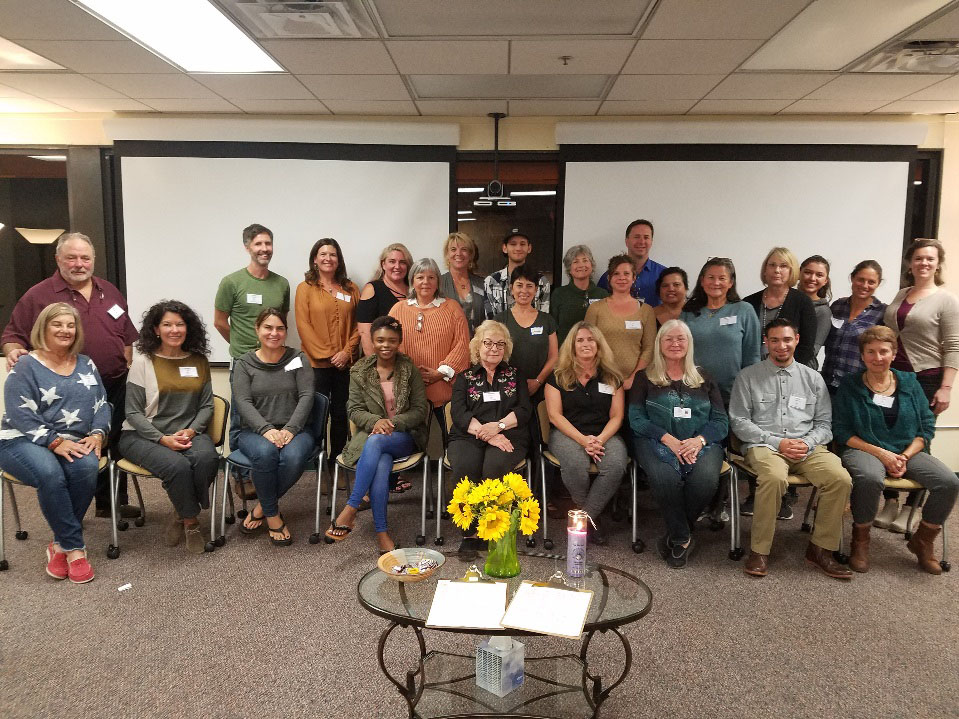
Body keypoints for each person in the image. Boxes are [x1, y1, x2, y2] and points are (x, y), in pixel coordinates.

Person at [2, 232, 138, 519]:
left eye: (85, 257)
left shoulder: (108, 290)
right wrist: (14, 351)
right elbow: (13, 335)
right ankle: (69, 512)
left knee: (110, 440)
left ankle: (110, 502)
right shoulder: (39, 295)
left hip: (112, 382)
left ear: (93, 260)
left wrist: (125, 362)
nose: (79, 264)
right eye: (71, 257)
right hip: (66, 389)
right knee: (72, 451)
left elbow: (126, 335)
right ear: (58, 260)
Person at [728, 318, 853, 580]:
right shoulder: (748, 376)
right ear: (766, 342)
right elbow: (739, 422)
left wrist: (806, 443)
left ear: (796, 340)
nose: (781, 346)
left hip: (806, 446)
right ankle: (760, 551)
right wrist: (778, 443)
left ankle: (820, 549)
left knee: (840, 479)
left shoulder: (813, 379)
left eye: (787, 339)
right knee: (773, 478)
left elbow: (824, 424)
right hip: (765, 445)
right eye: (774, 340)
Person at [833, 326, 958, 575]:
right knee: (869, 477)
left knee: (949, 481)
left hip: (906, 450)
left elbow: (925, 427)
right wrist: (883, 454)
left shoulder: (910, 383)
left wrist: (904, 456)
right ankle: (860, 541)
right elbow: (842, 431)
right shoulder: (850, 385)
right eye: (871, 352)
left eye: (883, 351)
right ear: (862, 355)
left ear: (894, 353)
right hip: (864, 448)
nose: (877, 358)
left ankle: (922, 541)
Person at [0, 303, 110, 584]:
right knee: (50, 473)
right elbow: (18, 412)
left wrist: (98, 433)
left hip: (70, 441)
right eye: (57, 324)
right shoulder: (25, 364)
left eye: (70, 325)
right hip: (19, 439)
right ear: (43, 328)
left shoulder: (86, 363)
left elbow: (102, 404)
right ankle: (75, 549)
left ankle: (59, 544)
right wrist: (53, 440)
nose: (65, 330)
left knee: (86, 468)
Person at [118, 300, 219, 554]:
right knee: (178, 466)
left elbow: (207, 406)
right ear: (155, 329)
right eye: (167, 324)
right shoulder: (143, 362)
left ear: (189, 328)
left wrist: (192, 430)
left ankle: (179, 512)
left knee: (207, 458)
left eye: (180, 324)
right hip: (141, 434)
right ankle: (191, 521)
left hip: (188, 432)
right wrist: (163, 439)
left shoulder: (198, 360)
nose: (174, 330)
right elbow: (132, 412)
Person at [326, 316, 429, 552]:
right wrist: (376, 421)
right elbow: (353, 409)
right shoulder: (360, 371)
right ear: (371, 341)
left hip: (406, 436)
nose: (385, 345)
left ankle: (351, 509)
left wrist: (393, 423)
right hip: (374, 438)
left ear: (399, 342)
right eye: (380, 340)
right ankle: (383, 535)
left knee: (377, 440)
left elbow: (420, 410)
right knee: (381, 461)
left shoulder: (409, 370)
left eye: (392, 340)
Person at [630, 320, 727, 568]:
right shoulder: (645, 378)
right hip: (655, 440)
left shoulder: (705, 377)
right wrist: (668, 439)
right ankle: (683, 538)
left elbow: (720, 421)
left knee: (705, 480)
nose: (675, 344)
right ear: (659, 344)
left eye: (680, 339)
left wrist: (699, 440)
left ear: (689, 343)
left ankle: (675, 533)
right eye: (669, 339)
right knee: (665, 478)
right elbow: (636, 419)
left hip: (701, 442)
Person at [882, 238, 959, 534]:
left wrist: (946, 387)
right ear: (910, 262)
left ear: (938, 264)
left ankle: (910, 508)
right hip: (893, 377)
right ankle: (889, 501)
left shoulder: (946, 299)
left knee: (920, 439)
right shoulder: (902, 293)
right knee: (888, 435)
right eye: (918, 258)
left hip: (927, 378)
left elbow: (953, 345)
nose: (923, 263)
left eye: (929, 259)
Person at [213, 223, 291, 501]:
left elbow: (278, 322)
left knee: (272, 411)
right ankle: (241, 477)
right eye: (258, 244)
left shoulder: (281, 283)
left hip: (275, 362)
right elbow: (220, 322)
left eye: (268, 244)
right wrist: (241, 347)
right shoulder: (232, 282)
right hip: (244, 362)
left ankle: (268, 466)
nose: (264, 249)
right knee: (240, 417)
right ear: (247, 247)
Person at [232, 308, 315, 546]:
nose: (274, 333)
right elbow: (243, 402)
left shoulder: (297, 359)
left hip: (296, 430)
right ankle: (273, 516)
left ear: (286, 332)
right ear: (257, 330)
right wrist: (266, 429)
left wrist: (290, 429)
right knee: (265, 454)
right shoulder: (244, 363)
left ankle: (261, 509)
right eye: (268, 327)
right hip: (254, 432)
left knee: (294, 457)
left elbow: (307, 395)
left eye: (280, 328)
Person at [545, 321, 627, 545]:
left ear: (599, 344)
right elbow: (554, 416)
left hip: (604, 434)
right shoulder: (558, 375)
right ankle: (591, 519)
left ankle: (584, 518)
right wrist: (583, 440)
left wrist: (599, 439)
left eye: (591, 339)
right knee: (575, 464)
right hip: (566, 434)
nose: (585, 344)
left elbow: (617, 416)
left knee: (616, 465)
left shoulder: (612, 376)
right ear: (571, 346)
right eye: (579, 340)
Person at [295, 238, 359, 467]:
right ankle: (319, 466)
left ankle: (338, 464)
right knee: (318, 417)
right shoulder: (305, 289)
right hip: (316, 365)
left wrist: (345, 353)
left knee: (341, 416)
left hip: (345, 365)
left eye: (332, 255)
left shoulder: (351, 289)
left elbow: (357, 327)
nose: (328, 258)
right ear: (314, 259)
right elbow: (304, 326)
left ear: (339, 260)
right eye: (323, 254)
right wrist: (330, 355)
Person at [449, 320, 532, 489]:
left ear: (506, 348)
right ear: (478, 346)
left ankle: (495, 515)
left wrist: (499, 426)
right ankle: (467, 515)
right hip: (468, 436)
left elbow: (524, 410)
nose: (494, 348)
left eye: (500, 344)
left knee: (494, 468)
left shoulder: (516, 375)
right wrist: (489, 434)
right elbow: (458, 413)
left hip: (509, 435)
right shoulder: (464, 378)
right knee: (466, 468)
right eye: (488, 343)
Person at [388, 258, 470, 426]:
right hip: (409, 390)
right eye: (420, 277)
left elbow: (462, 344)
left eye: (431, 277)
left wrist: (440, 373)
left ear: (438, 281)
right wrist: (412, 374)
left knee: (452, 438)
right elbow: (389, 346)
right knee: (410, 442)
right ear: (412, 281)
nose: (426, 282)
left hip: (445, 390)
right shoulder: (398, 310)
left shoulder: (452, 308)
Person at [681, 258, 761, 406]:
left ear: (731, 283)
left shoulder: (744, 310)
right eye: (711, 277)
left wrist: (749, 390)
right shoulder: (688, 312)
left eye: (722, 278)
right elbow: (679, 352)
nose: (716, 282)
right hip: (694, 392)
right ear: (702, 281)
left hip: (733, 395)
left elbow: (753, 356)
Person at [585, 255, 655, 391]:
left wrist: (633, 378)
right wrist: (600, 376)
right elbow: (587, 344)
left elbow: (649, 348)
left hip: (635, 383)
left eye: (626, 273)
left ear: (634, 277)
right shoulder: (595, 309)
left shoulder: (647, 311)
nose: (621, 278)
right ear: (609, 278)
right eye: (616, 273)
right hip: (601, 380)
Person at [743, 247, 818, 366]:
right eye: (772, 265)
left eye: (783, 266)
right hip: (752, 371)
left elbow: (806, 347)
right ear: (765, 270)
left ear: (791, 271)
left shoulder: (803, 302)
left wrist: (783, 368)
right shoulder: (748, 302)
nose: (777, 270)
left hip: (789, 371)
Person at [822, 260, 887, 394]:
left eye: (871, 282)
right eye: (860, 280)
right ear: (852, 278)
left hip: (858, 387)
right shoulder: (838, 306)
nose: (865, 285)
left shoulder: (882, 313)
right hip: (827, 383)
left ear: (878, 284)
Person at [496, 265, 558, 404]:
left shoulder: (547, 320)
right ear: (511, 288)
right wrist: (511, 384)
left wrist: (538, 381)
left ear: (536, 290)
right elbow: (492, 357)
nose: (524, 290)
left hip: (541, 390)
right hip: (507, 390)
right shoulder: (500, 320)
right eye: (519, 285)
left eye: (529, 286)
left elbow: (554, 357)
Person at [356, 243, 412, 356]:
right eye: (392, 261)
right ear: (383, 264)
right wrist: (376, 366)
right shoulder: (372, 289)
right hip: (381, 362)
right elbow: (364, 332)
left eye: (402, 262)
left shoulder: (414, 289)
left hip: (408, 360)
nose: (397, 266)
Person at [597, 219, 666, 306]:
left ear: (651, 242)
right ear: (627, 241)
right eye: (637, 237)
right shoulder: (609, 276)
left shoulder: (663, 274)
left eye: (646, 237)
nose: (641, 241)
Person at [549, 245, 608, 344]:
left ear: (591, 265)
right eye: (575, 262)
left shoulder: (602, 294)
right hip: (565, 354)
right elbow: (552, 330)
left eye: (585, 260)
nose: (581, 265)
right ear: (569, 269)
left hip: (594, 353)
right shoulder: (559, 294)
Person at [483, 231, 550, 318]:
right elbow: (490, 321)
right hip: (499, 331)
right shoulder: (491, 281)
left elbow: (544, 319)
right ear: (504, 248)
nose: (518, 248)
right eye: (513, 244)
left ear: (529, 248)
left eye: (522, 244)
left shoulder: (541, 281)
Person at [439, 233, 486, 334]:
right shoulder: (438, 284)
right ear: (447, 254)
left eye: (464, 249)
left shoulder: (482, 284)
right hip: (448, 345)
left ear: (470, 255)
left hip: (478, 345)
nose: (458, 253)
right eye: (453, 249)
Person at [798, 255, 832, 370]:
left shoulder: (823, 312)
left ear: (825, 281)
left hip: (803, 369)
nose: (812, 278)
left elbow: (811, 350)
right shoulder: (787, 301)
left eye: (819, 275)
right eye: (808, 272)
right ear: (799, 273)